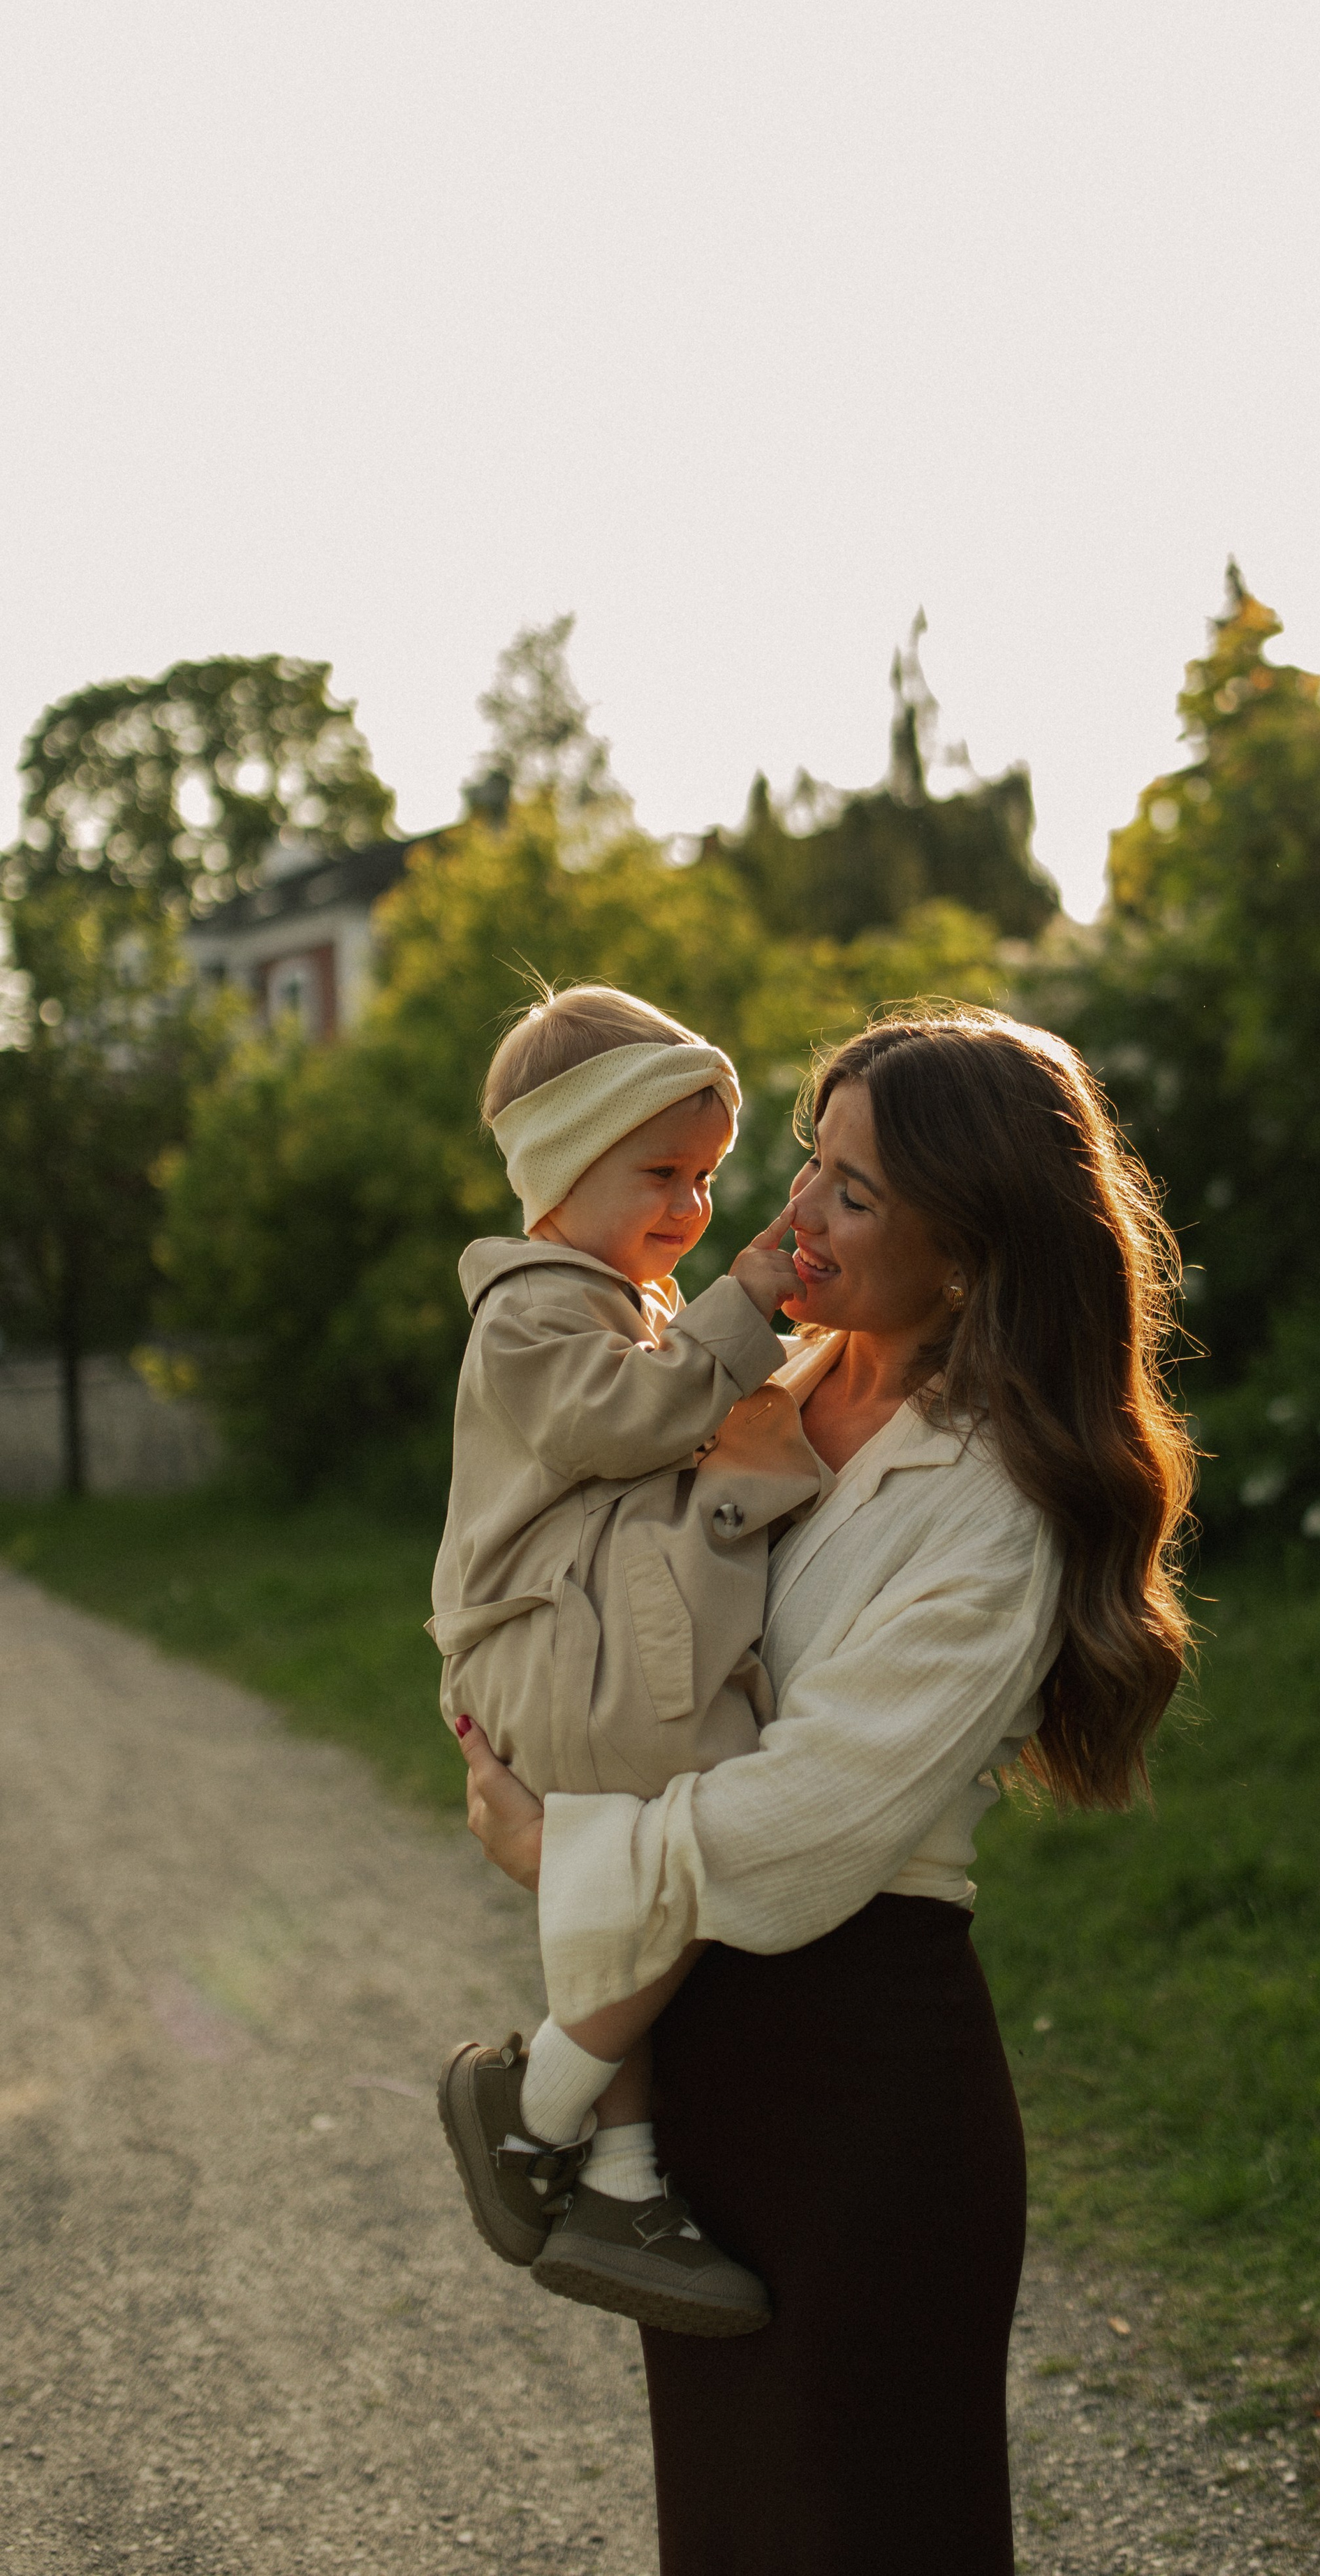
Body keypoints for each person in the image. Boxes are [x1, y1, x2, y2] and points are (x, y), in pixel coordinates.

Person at [457, 1004, 1196, 2576]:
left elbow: (809, 1832)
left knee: (859, 2533)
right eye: (810, 1161)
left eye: (852, 1193)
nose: (792, 1212)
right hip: (703, 2065)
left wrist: (562, 1842)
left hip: (855, 2083)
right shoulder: (759, 1373)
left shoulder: (998, 1503)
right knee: (725, 2535)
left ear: (972, 1247)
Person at [432, 981, 823, 2336]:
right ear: (558, 1169)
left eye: (708, 1178)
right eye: (658, 1171)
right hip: (546, 1642)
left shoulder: (618, 1300)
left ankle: (615, 2176)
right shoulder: (534, 1310)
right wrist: (742, 1308)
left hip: (572, 1640)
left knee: (624, 1875)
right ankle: (531, 2097)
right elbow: (621, 1427)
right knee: (696, 1828)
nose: (690, 1207)